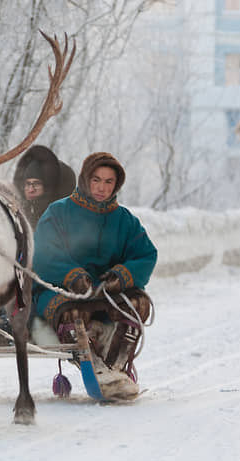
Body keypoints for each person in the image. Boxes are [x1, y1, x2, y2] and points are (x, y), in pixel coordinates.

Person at [31, 152, 157, 400]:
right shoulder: (58, 212)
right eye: (97, 179)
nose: (102, 187)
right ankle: (97, 370)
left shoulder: (125, 220)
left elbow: (146, 255)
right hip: (63, 291)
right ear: (85, 179)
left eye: (109, 182)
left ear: (117, 184)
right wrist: (73, 276)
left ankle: (116, 370)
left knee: (138, 304)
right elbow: (43, 255)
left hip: (108, 293)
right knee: (73, 314)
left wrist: (121, 276)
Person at [12, 145, 77, 230]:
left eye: (36, 184)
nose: (31, 190)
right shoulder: (17, 218)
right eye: (28, 184)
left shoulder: (68, 223)